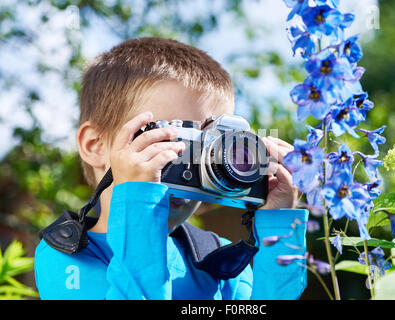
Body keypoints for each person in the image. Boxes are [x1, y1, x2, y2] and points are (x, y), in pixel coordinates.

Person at [34, 37, 309, 300]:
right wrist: (140, 199)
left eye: (209, 148)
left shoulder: (218, 258)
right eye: (169, 140)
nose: (192, 160)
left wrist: (279, 223)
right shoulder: (67, 253)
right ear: (95, 145)